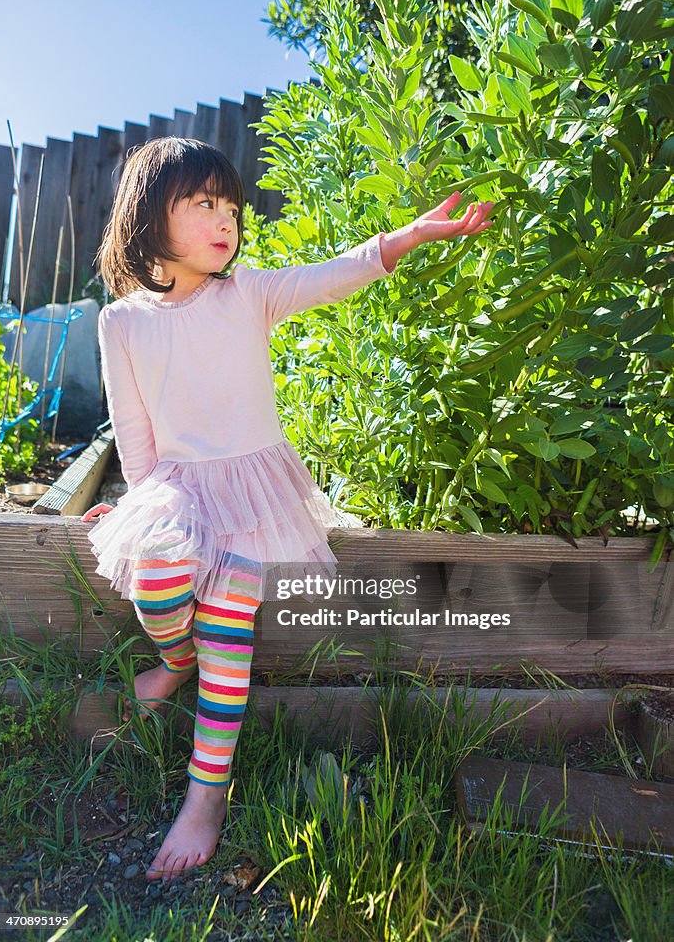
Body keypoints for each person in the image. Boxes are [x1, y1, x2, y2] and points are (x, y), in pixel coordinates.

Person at [81, 136, 493, 883]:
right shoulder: (122, 323)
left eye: (232, 208)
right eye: (204, 203)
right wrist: (139, 509)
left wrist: (405, 237)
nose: (225, 220)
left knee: (231, 634)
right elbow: (134, 433)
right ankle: (177, 660)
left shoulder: (249, 294)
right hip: (176, 486)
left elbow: (335, 274)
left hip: (255, 495)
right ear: (149, 216)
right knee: (161, 583)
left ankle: (205, 796)